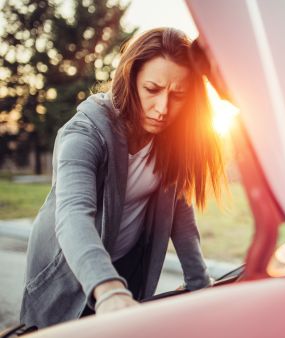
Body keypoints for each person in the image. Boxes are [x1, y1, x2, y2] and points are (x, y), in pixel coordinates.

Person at [20, 27, 226, 328]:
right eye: (152, 89)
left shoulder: (170, 138)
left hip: (123, 273)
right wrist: (108, 289)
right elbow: (74, 215)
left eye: (177, 95)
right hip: (68, 275)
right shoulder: (85, 132)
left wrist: (199, 283)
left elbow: (179, 214)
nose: (163, 108)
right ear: (130, 80)